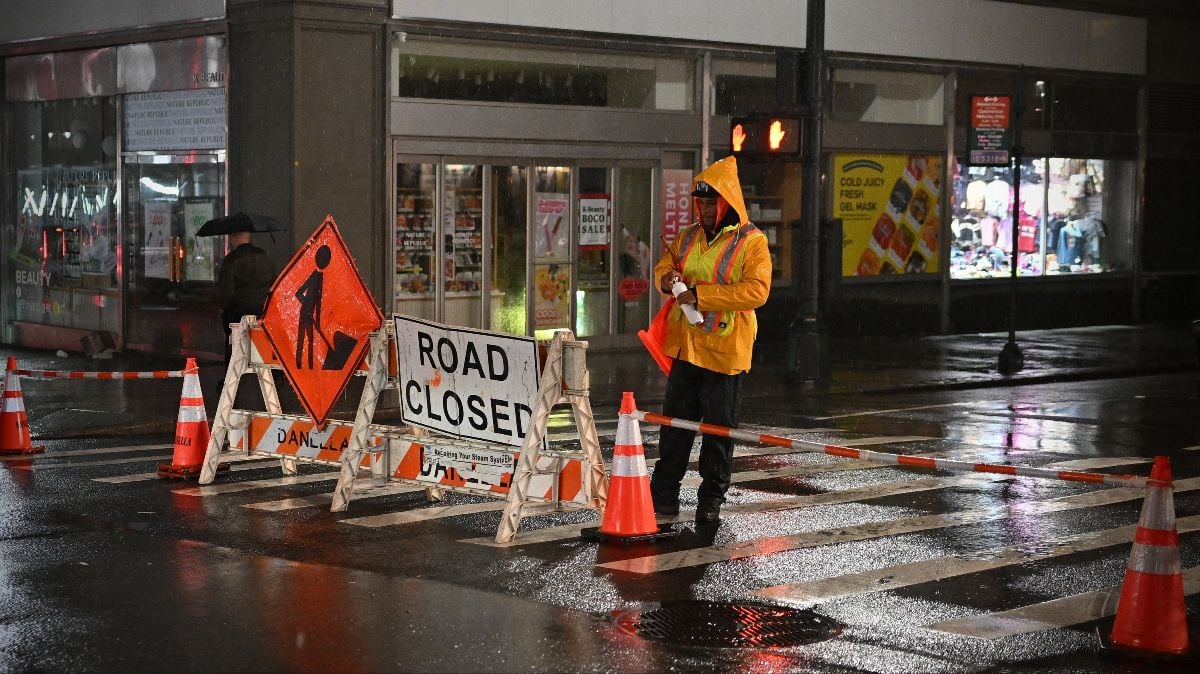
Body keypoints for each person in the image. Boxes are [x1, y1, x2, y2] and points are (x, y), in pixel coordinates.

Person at [649, 155, 772, 523]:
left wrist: (702, 295)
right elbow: (663, 267)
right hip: (687, 349)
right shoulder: (688, 235)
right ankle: (663, 498)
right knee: (674, 430)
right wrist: (667, 280)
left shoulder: (752, 242)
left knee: (718, 435)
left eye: (708, 203)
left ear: (726, 203)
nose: (701, 210)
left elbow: (757, 291)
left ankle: (710, 502)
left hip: (724, 353)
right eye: (698, 203)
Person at [216, 229, 277, 362]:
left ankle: (230, 373)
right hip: (262, 310)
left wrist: (223, 307)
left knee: (232, 342)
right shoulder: (264, 256)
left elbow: (226, 290)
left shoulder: (231, 259)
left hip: (238, 311)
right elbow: (274, 283)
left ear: (235, 236)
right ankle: (272, 373)